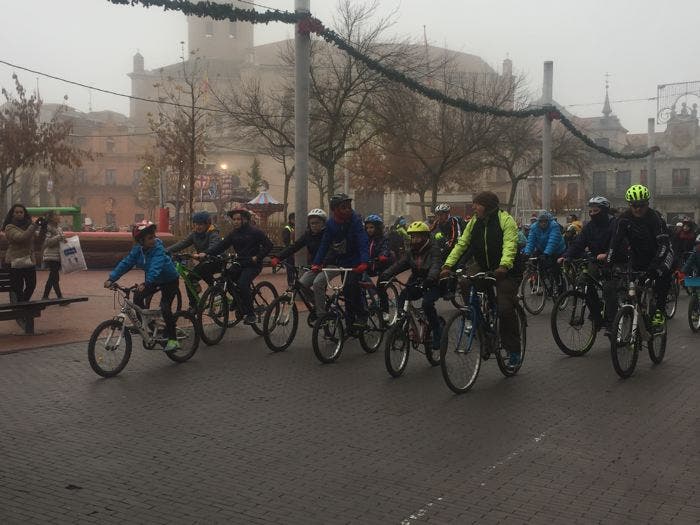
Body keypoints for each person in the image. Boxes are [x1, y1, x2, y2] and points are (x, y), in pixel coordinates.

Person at [440, 191, 523, 367]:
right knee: (464, 281)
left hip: (506, 269)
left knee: (505, 308)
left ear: (488, 206)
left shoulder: (505, 220)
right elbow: (462, 244)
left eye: (477, 204)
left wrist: (504, 266)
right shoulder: (474, 223)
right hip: (483, 265)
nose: (474, 207)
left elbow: (510, 244)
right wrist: (448, 266)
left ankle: (514, 350)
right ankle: (473, 315)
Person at [104, 220, 181, 351]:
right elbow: (126, 263)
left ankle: (173, 339)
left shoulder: (158, 249)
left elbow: (155, 268)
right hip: (154, 280)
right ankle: (145, 325)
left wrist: (146, 283)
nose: (154, 240)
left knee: (165, 306)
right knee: (138, 297)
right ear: (141, 241)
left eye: (154, 237)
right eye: (150, 238)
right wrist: (111, 278)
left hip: (169, 280)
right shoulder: (137, 251)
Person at [608, 184, 673, 328]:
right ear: (629, 205)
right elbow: (615, 242)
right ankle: (637, 312)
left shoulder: (655, 218)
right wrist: (608, 262)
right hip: (639, 255)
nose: (638, 209)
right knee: (634, 285)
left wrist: (654, 267)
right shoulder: (623, 219)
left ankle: (659, 311)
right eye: (634, 205)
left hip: (661, 253)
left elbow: (663, 246)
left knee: (660, 275)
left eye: (641, 205)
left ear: (647, 204)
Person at [198, 208, 273, 325]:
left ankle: (251, 314)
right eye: (234, 219)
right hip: (239, 263)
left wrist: (258, 257)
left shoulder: (255, 232)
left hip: (253, 265)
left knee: (243, 284)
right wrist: (207, 253)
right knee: (226, 279)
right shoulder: (233, 234)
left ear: (245, 220)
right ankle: (239, 302)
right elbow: (221, 246)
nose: (236, 222)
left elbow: (269, 246)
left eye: (239, 219)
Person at [558, 196, 620, 331]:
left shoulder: (614, 224)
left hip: (614, 260)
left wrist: (608, 255)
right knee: (583, 281)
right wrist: (566, 256)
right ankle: (596, 313)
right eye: (590, 211)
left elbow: (617, 243)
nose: (592, 214)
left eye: (595, 211)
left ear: (604, 211)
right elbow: (579, 243)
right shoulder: (589, 227)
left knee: (609, 288)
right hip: (596, 261)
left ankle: (611, 321)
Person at [380, 221, 443, 349]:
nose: (415, 240)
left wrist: (430, 278)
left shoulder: (434, 249)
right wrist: (386, 274)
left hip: (433, 283)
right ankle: (401, 326)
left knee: (427, 304)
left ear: (425, 236)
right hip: (417, 282)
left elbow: (436, 266)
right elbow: (400, 264)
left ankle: (437, 332)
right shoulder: (411, 252)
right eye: (413, 236)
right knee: (403, 296)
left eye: (417, 236)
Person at [311, 193, 369, 328]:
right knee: (346, 291)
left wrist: (364, 261)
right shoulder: (331, 224)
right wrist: (316, 263)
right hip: (344, 261)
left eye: (349, 207)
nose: (347, 210)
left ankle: (362, 314)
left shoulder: (355, 220)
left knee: (352, 286)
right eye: (343, 207)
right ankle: (350, 322)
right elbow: (325, 244)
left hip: (357, 261)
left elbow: (362, 240)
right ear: (335, 210)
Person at [270, 208, 328, 320]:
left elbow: (332, 251)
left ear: (323, 223)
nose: (314, 226)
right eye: (312, 223)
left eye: (317, 223)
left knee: (317, 283)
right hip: (315, 265)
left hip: (329, 266)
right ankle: (319, 304)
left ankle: (322, 316)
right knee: (301, 286)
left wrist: (324, 263)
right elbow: (295, 246)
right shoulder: (308, 235)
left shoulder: (328, 235)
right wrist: (278, 257)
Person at [167, 211, 221, 310]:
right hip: (205, 262)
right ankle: (194, 305)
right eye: (195, 224)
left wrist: (206, 253)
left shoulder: (213, 232)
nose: (197, 227)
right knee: (189, 279)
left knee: (203, 269)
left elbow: (215, 245)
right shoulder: (194, 234)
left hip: (217, 260)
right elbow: (182, 243)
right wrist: (166, 251)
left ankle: (217, 290)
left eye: (200, 224)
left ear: (207, 224)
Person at [2, 203, 46, 305]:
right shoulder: (9, 227)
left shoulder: (29, 226)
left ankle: (22, 305)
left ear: (24, 214)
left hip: (29, 261)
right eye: (16, 212)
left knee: (31, 285)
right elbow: (21, 238)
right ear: (12, 214)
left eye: (21, 212)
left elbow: (39, 240)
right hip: (14, 261)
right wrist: (34, 225)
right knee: (18, 287)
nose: (19, 214)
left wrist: (43, 228)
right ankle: (22, 307)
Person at [523, 210, 567, 292]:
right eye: (541, 221)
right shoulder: (534, 227)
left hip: (557, 249)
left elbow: (552, 241)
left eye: (545, 221)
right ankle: (547, 284)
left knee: (555, 267)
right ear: (538, 221)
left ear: (548, 221)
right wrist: (527, 252)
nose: (543, 223)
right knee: (539, 265)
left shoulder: (554, 226)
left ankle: (560, 285)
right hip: (542, 248)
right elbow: (531, 241)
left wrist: (546, 254)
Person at [364, 214, 393, 320]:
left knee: (381, 286)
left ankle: (385, 311)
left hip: (383, 265)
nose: (369, 230)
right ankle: (367, 302)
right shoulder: (366, 239)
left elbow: (385, 249)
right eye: (367, 228)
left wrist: (382, 256)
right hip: (370, 265)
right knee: (358, 277)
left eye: (371, 227)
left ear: (377, 227)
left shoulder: (384, 238)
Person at [41, 211, 67, 302]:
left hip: (58, 256)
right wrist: (59, 238)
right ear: (51, 218)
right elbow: (47, 243)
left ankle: (50, 297)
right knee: (53, 277)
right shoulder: (48, 228)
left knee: (54, 277)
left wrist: (64, 240)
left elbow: (59, 240)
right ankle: (57, 298)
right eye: (57, 215)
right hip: (51, 256)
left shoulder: (59, 228)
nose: (59, 216)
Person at [281, 212, 296, 287]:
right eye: (294, 219)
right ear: (291, 220)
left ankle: (295, 282)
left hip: (296, 251)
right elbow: (285, 240)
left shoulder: (296, 227)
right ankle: (290, 283)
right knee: (290, 268)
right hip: (290, 251)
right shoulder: (287, 228)